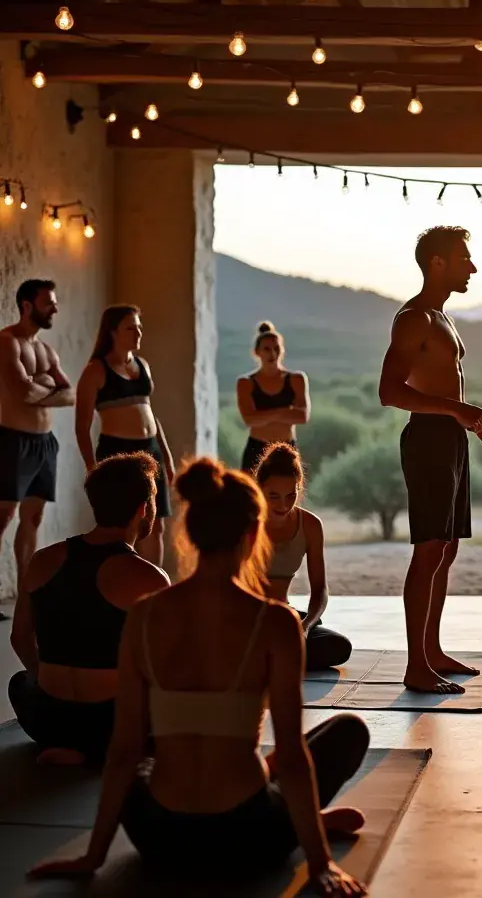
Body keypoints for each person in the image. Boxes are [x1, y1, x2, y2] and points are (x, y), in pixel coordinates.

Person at [29, 456, 370, 897]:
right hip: (249, 838)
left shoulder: (146, 614)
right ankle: (303, 823)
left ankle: (291, 813)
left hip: (159, 839)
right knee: (347, 730)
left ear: (189, 534)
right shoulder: (276, 623)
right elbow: (290, 755)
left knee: (142, 763)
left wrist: (92, 858)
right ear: (253, 535)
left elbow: (124, 751)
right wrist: (320, 863)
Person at [378, 226, 482, 694]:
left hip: (451, 440)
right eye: (463, 259)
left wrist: (467, 419)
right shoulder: (414, 318)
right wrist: (461, 411)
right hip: (429, 439)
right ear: (437, 263)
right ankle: (416, 666)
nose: (472, 267)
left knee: (447, 549)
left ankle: (431, 652)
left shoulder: (442, 317)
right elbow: (389, 392)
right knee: (429, 549)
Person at [9, 453, 169, 763]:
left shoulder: (42, 560)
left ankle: (64, 742)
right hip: (110, 724)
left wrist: (48, 681)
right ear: (142, 509)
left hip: (48, 719)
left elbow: (19, 638)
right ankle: (96, 748)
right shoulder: (148, 577)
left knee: (20, 683)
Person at [75, 305, 175, 567]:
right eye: (131, 327)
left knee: (155, 524)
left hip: (150, 449)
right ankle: (121, 586)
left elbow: (151, 413)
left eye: (139, 326)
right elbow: (82, 426)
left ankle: (152, 591)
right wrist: (91, 467)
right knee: (121, 528)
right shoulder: (95, 370)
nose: (138, 332)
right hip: (117, 451)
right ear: (113, 332)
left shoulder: (143, 365)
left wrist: (168, 459)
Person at [0, 279, 74, 583]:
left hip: (45, 443)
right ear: (27, 305)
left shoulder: (46, 350)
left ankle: (25, 594)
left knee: (33, 518)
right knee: (2, 517)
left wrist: (38, 384)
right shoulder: (7, 342)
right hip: (13, 440)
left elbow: (71, 395)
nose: (55, 308)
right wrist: (47, 385)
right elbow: (21, 394)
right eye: (49, 303)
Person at [255, 442, 352, 671]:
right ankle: (276, 656)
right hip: (249, 618)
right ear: (259, 489)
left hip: (286, 617)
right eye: (274, 496)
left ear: (300, 488)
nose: (283, 504)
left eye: (291, 495)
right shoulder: (247, 522)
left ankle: (272, 656)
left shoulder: (310, 525)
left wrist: (306, 626)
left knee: (338, 646)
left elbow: (320, 590)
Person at [237, 321, 311, 476]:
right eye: (267, 349)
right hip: (256, 450)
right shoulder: (246, 383)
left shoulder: (296, 379)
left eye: (276, 348)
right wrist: (285, 412)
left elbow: (302, 416)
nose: (272, 353)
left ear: (282, 350)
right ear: (257, 352)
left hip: (286, 449)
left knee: (288, 498)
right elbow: (250, 420)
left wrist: (264, 415)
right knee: (253, 499)